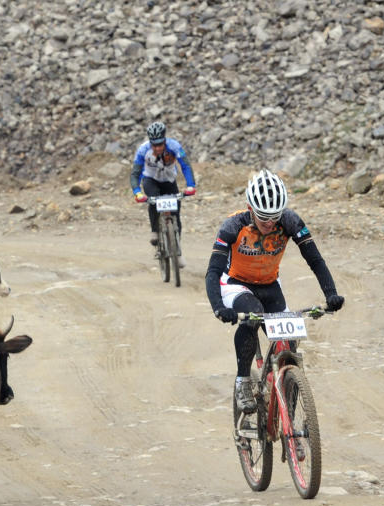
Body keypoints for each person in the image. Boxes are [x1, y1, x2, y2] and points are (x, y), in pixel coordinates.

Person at [205, 169, 345, 414]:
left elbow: (315, 260)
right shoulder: (233, 225)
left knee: (288, 345)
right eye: (262, 217)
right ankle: (243, 381)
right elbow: (213, 270)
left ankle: (287, 411)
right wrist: (219, 306)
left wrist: (330, 293)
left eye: (274, 217)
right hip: (237, 284)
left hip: (270, 284)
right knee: (252, 316)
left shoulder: (290, 221)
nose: (269, 223)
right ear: (250, 208)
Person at [130, 121, 197, 265]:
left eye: (160, 144)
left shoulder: (174, 146)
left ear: (165, 140)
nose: (158, 148)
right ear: (150, 142)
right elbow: (135, 173)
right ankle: (155, 230)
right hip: (150, 180)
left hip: (169, 180)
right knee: (153, 202)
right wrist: (137, 192)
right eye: (154, 145)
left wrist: (191, 185)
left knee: (176, 214)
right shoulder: (143, 150)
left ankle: (177, 251)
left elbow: (185, 165)